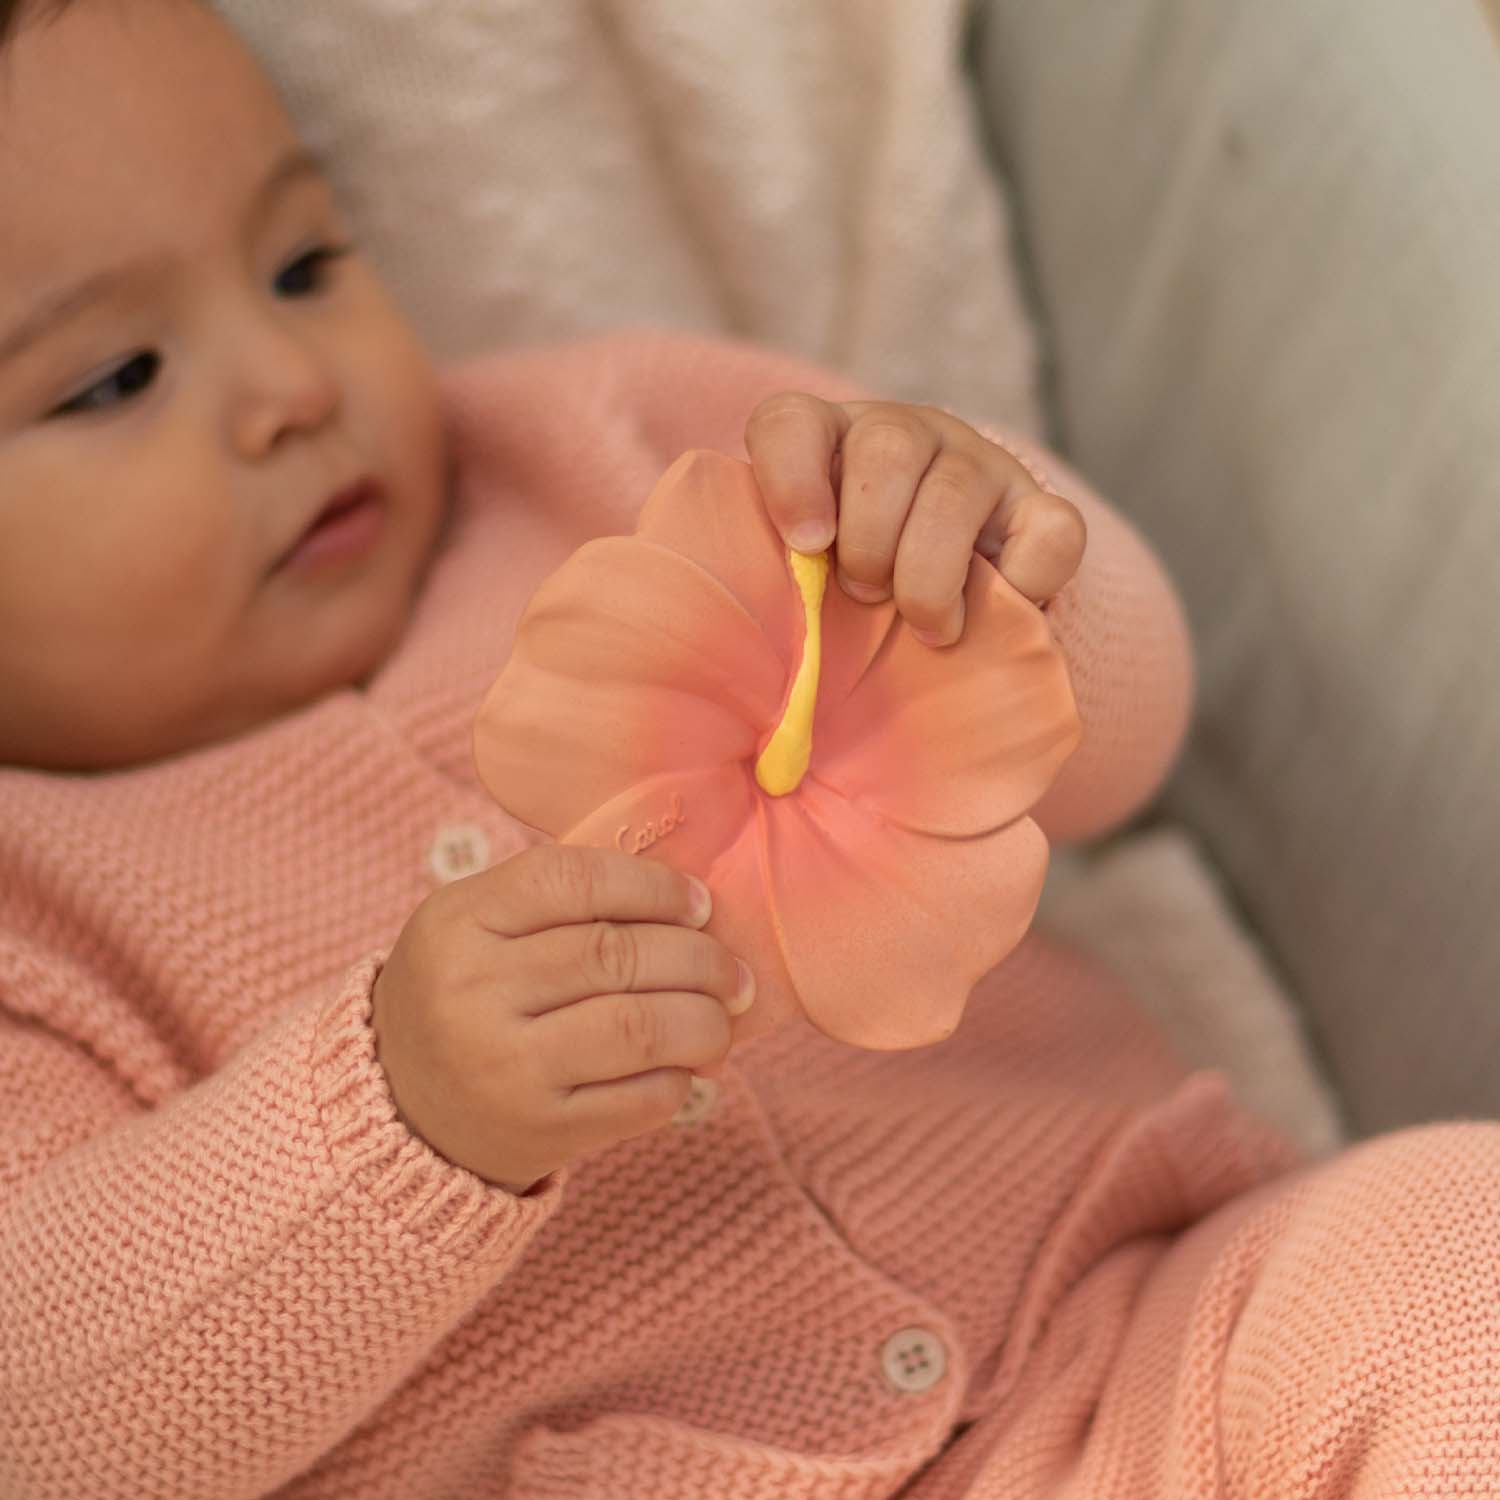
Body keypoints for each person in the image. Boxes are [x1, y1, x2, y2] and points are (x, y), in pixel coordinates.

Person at [0, 1, 1495, 1496]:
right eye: (109, 380)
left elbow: (1118, 745)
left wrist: (990, 559)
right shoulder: (36, 923)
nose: (295, 384)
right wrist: (399, 1114)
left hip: (1124, 1347)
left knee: (1447, 1260)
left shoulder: (620, 446)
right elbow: (50, 1422)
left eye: (305, 263)